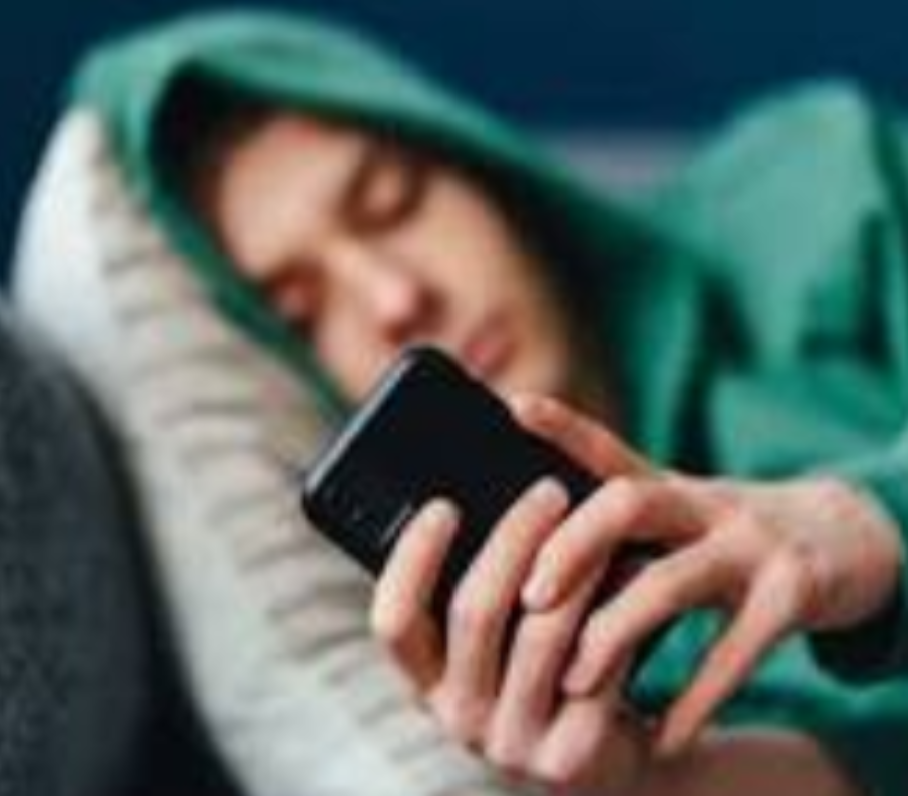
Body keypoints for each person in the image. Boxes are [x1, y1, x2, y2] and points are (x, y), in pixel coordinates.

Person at [12, 8, 908, 796]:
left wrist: (871, 527)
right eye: (301, 313)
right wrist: (671, 788)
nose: (395, 299)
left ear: (476, 162)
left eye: (392, 199)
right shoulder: (518, 678)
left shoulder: (823, 184)